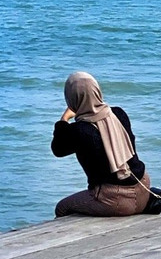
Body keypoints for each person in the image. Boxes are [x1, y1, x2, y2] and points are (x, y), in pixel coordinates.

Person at [51, 71, 153, 217]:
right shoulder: (118, 114)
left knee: (62, 208)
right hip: (144, 188)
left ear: (71, 99)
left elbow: (58, 149)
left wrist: (64, 118)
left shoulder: (79, 131)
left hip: (116, 200)